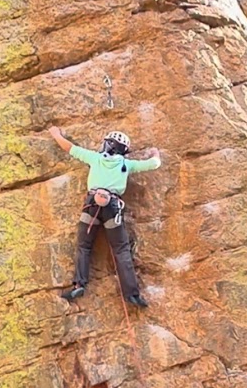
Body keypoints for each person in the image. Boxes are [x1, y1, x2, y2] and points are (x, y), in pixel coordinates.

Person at [48, 127, 162, 308]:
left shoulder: (95, 158)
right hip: (113, 208)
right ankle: (132, 295)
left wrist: (56, 134)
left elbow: (70, 148)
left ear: (109, 145)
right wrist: (155, 152)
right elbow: (154, 163)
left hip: (92, 205)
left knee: (84, 245)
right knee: (121, 250)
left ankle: (79, 284)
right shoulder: (127, 164)